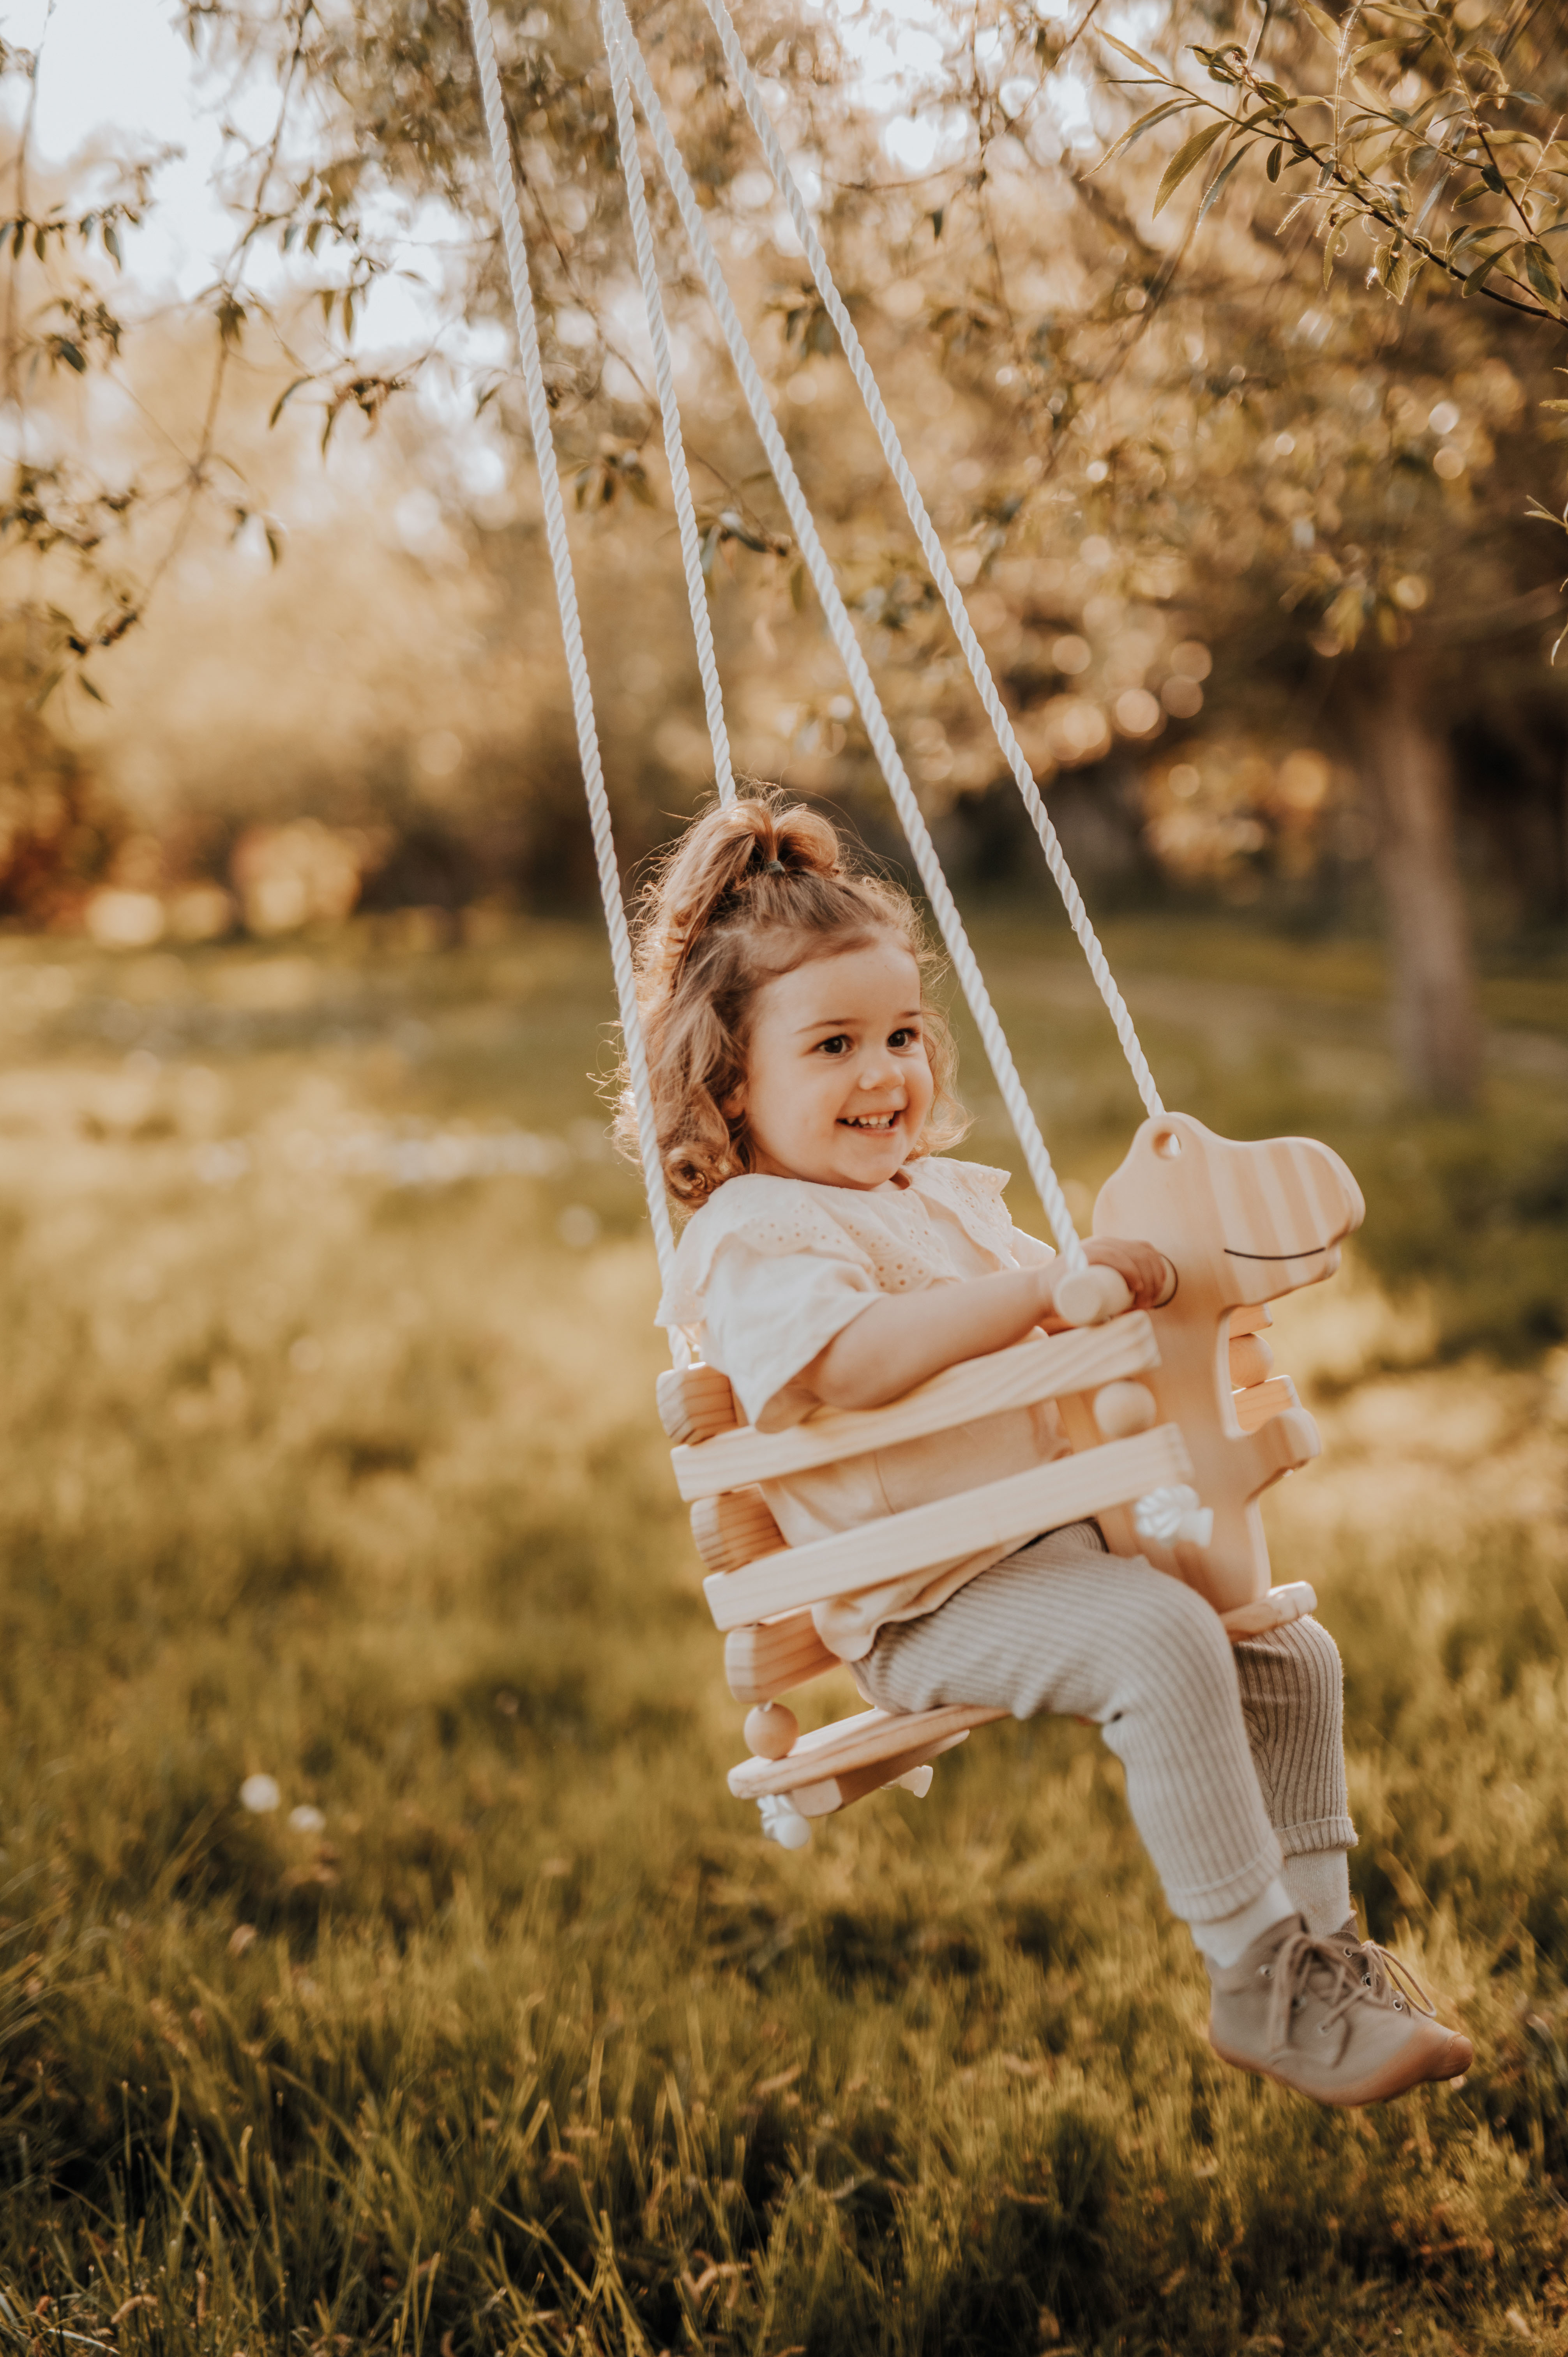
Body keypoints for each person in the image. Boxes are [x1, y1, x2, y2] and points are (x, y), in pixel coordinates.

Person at [625, 787, 1471, 2107]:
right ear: (730, 1080)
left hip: (1060, 1538)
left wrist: (1138, 1288)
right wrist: (1043, 1294)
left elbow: (1086, 1314)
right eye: (833, 1045)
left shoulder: (943, 1200)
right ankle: (1255, 1977)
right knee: (1163, 1640)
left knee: (1285, 1648)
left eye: (901, 1034)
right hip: (930, 1600)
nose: (883, 1073)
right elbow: (842, 1364)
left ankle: (1326, 1957)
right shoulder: (755, 1236)